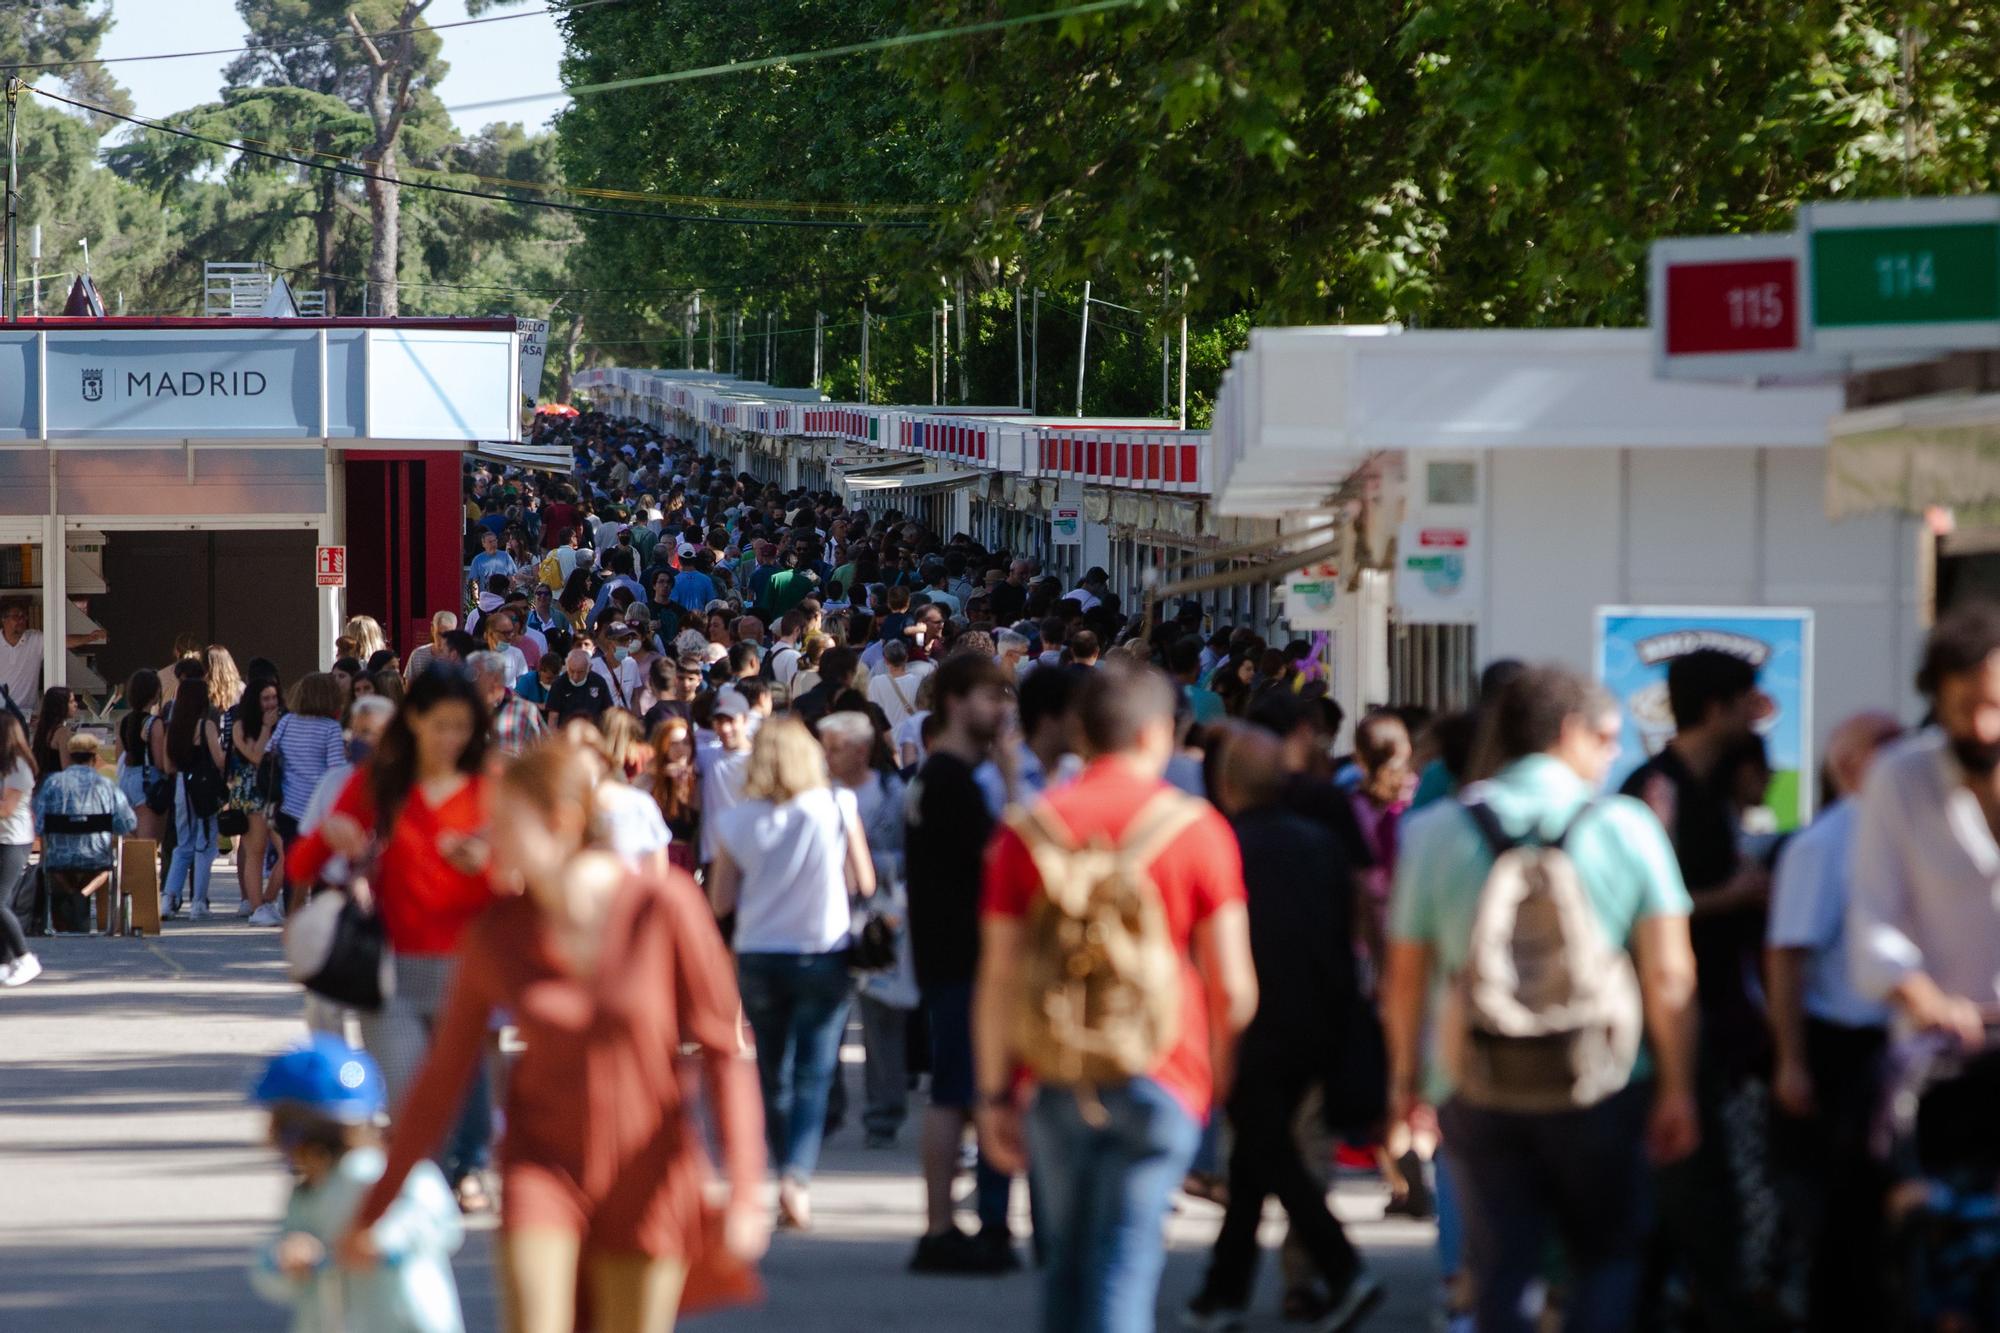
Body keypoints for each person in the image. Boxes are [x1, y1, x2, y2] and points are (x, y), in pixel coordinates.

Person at [338, 740, 768, 1333]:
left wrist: (745, 1191)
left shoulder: (664, 905)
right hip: (542, 1166)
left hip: (650, 1168)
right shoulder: (496, 934)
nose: (489, 840)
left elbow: (724, 1051)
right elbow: (440, 1080)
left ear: (560, 823)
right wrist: (374, 1209)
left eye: (504, 824)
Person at [1383, 665, 1698, 1333]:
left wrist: (1408, 1085)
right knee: (1608, 1256)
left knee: (1502, 1264)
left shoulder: (1435, 830)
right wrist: (1677, 1086)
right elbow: (1671, 974)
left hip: (1475, 1079)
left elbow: (1405, 977)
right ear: (1568, 732)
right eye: (1608, 737)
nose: (1615, 753)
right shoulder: (1627, 827)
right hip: (1604, 1080)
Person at [975, 657, 1258, 1333]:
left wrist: (992, 1091)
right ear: (1157, 732)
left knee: (1066, 1266)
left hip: (1053, 1066)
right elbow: (1235, 984)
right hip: (1162, 1066)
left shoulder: (1027, 829)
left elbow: (999, 976)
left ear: (1079, 732)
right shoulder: (1198, 829)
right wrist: (1219, 1081)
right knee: (1122, 1266)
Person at [1186, 724, 1379, 1331]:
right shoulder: (1320, 843)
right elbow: (1346, 931)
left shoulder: (1224, 845)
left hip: (1251, 1023)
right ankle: (1223, 1293)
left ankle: (1343, 1266)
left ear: (1224, 783)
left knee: (1265, 1150)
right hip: (1319, 1022)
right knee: (1253, 1159)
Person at [288, 666, 498, 1210]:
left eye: (463, 727)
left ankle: (466, 1170)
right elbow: (302, 862)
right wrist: (330, 838)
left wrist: (491, 865)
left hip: (466, 970)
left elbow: (524, 880)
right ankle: (422, 1195)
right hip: (392, 971)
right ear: (414, 723)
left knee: (462, 1082)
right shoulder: (380, 781)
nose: (452, 739)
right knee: (408, 1097)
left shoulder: (488, 789)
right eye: (440, 725)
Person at [1619, 649, 1777, 1326]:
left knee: (1691, 1185)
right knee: (1688, 1182)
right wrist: (1732, 894)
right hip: (1669, 1018)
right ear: (1716, 708)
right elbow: (1640, 913)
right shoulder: (1657, 789)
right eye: (1746, 702)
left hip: (1717, 1011)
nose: (1756, 716)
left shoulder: (1710, 789)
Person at [1764, 710, 1901, 1331]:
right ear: (1850, 767)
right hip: (1843, 1048)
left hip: (1910, 1047)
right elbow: (1787, 958)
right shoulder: (1824, 844)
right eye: (1890, 748)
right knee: (1845, 1219)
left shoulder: (1915, 833)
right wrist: (1791, 1060)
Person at [708, 718, 874, 1231]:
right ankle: (796, 1181)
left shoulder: (735, 822)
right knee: (814, 1073)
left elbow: (721, 901)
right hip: (822, 951)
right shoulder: (837, 806)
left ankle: (783, 1168)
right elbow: (863, 880)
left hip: (759, 952)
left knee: (772, 1072)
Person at [904, 651, 1020, 1274]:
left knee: (959, 1091)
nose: (1001, 708)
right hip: (964, 959)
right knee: (957, 1092)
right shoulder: (951, 781)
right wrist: (1011, 784)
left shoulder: (936, 777)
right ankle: (941, 1227)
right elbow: (1002, 863)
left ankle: (946, 1223)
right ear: (954, 701)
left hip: (947, 956)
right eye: (988, 696)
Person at [250, 1037, 465, 1333]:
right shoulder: (308, 1192)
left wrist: (386, 1240)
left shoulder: (381, 1172)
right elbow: (273, 1268)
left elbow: (438, 1219)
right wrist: (283, 1259)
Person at [820, 709, 917, 1150]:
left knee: (882, 1020)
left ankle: (883, 1113)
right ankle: (829, 1106)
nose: (826, 756)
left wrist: (866, 864)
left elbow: (910, 855)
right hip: (827, 921)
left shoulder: (894, 794)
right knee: (827, 1020)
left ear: (861, 750)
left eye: (834, 748)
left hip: (880, 924)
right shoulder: (818, 796)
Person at [33, 732, 138, 933]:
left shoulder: (53, 783)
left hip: (58, 858)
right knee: (105, 869)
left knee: (55, 870)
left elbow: (39, 826)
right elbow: (127, 822)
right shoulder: (106, 786)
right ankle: (82, 894)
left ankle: (72, 892)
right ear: (94, 757)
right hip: (97, 856)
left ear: (70, 756)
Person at [269, 675, 350, 913]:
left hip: (288, 804)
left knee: (292, 859)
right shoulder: (330, 728)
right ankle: (319, 911)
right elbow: (336, 768)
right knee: (322, 861)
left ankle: (292, 912)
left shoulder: (286, 721)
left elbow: (270, 751)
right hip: (318, 806)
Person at [162, 674, 227, 921]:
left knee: (183, 845)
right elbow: (220, 760)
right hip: (203, 786)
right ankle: (198, 901)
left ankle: (168, 897)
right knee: (205, 845)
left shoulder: (173, 727)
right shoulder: (205, 726)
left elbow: (168, 766)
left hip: (180, 784)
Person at [231, 677, 287, 925]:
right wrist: (266, 727)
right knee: (256, 850)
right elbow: (255, 756)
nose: (271, 703)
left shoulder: (284, 723)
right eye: (265, 698)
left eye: (274, 697)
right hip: (252, 791)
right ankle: (256, 907)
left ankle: (268, 898)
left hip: (276, 791)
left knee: (289, 849)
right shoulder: (241, 725)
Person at [0, 714, 40, 986]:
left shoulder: (18, 767)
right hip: (4, 839)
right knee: (3, 903)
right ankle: (3, 963)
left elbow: (6, 808)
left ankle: (25, 958)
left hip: (15, 841)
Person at [117, 669, 167, 844]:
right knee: (147, 845)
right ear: (154, 694)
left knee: (131, 842)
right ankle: (145, 872)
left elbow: (120, 756)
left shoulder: (123, 722)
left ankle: (129, 872)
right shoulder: (154, 723)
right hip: (147, 781)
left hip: (126, 780)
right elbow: (160, 762)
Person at [649, 715, 701, 872]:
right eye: (674, 744)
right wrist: (660, 774)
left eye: (686, 743)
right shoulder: (651, 780)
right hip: (659, 860)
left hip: (689, 859)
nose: (681, 749)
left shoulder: (698, 777)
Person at [470, 651, 545, 758]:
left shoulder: (523, 710)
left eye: (475, 675)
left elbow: (539, 750)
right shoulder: (465, 710)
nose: (472, 681)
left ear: (495, 679)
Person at [545, 649, 613, 727]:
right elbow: (553, 718)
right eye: (571, 671)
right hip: (566, 734)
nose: (575, 677)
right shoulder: (558, 684)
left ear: (589, 668)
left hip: (592, 734)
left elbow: (608, 712)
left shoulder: (599, 682)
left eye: (580, 672)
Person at [29, 686, 75, 784]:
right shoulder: (62, 733)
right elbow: (67, 768)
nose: (75, 705)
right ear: (60, 706)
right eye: (71, 702)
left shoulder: (43, 728)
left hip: (42, 785)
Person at [404, 612, 459, 682]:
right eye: (439, 634)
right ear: (432, 629)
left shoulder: (459, 658)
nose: (442, 639)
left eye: (447, 635)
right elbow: (409, 689)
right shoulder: (418, 655)